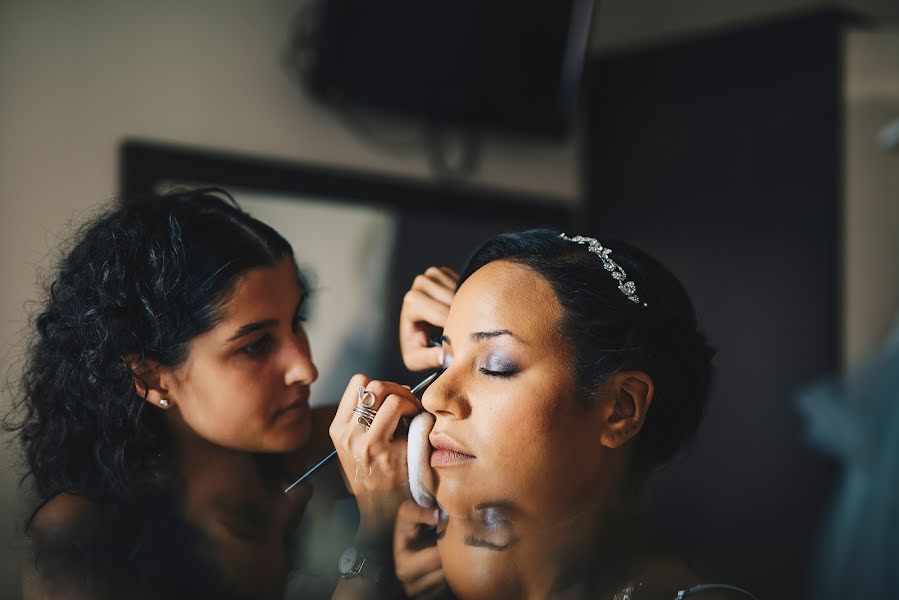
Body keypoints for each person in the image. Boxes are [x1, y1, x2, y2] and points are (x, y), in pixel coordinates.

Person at [7, 188, 420, 599]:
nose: (305, 368)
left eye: (297, 321)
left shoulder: (310, 443)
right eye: (255, 345)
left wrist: (450, 329)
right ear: (153, 378)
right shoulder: (80, 535)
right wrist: (375, 544)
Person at [393, 230, 759, 599]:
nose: (434, 396)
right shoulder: (450, 570)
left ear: (620, 408)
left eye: (496, 365)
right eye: (446, 360)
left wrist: (365, 564)